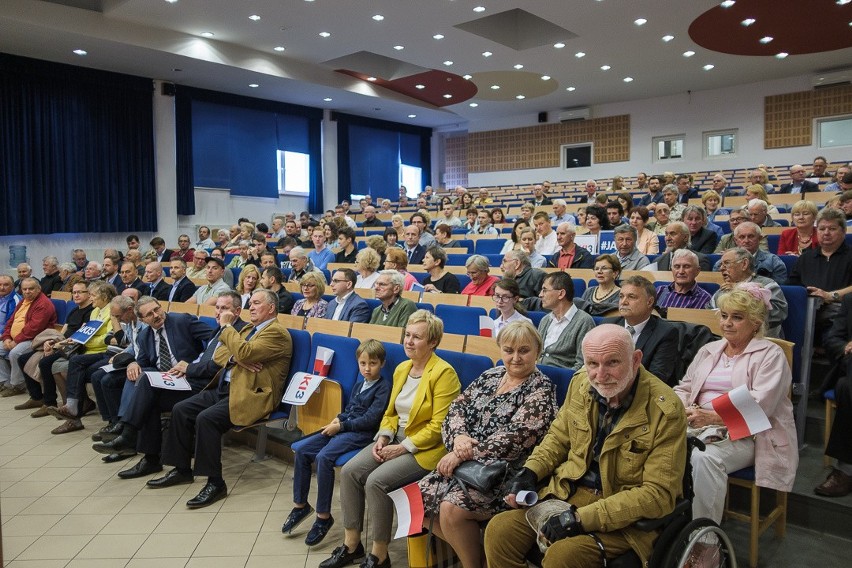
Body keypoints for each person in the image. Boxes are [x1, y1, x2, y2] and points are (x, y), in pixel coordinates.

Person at [484, 325, 687, 568]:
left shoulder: (665, 409)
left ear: (635, 360)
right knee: (499, 530)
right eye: (592, 363)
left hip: (623, 513)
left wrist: (580, 519)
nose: (600, 375)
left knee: (564, 555)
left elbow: (658, 494)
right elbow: (558, 438)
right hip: (569, 492)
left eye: (612, 362)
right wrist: (530, 472)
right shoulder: (581, 384)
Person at [322, 311, 461, 568]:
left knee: (376, 481)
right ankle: (352, 545)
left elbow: (439, 426)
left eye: (416, 337)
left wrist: (402, 447)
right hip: (395, 439)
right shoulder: (402, 368)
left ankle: (379, 554)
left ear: (433, 342)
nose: (408, 341)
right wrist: (384, 437)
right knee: (351, 471)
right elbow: (391, 413)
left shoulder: (444, 373)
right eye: (407, 335)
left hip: (424, 449)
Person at [419, 321, 558, 568]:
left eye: (524, 350)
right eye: (508, 350)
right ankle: (479, 559)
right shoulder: (491, 375)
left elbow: (515, 438)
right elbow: (456, 408)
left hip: (503, 473)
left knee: (451, 509)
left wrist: (463, 453)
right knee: (416, 501)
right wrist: (460, 437)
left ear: (538, 351)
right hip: (465, 463)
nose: (515, 358)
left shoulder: (540, 389)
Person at [147, 290, 292, 508]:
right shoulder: (248, 329)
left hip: (251, 394)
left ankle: (215, 483)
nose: (251, 307)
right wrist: (238, 357)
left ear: (271, 308)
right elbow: (220, 355)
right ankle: (182, 469)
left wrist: (228, 331)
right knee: (181, 409)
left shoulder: (277, 333)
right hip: (226, 388)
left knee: (207, 419)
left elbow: (243, 351)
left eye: (256, 303)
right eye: (250, 303)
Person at [674, 287, 797, 523]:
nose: (727, 323)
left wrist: (710, 417)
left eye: (737, 317)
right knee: (660, 446)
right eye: (723, 315)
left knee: (704, 457)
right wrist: (680, 407)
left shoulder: (770, 355)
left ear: (756, 323)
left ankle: (704, 542)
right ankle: (672, 524)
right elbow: (685, 388)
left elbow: (761, 405)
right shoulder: (708, 350)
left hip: (751, 434)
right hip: (697, 424)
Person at [283, 340, 392, 545]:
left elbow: (371, 419)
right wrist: (338, 419)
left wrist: (341, 426)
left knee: (324, 458)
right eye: (362, 363)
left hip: (362, 433)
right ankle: (300, 505)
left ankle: (323, 517)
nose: (367, 369)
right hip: (345, 426)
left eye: (373, 364)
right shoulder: (360, 384)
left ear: (382, 364)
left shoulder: (383, 387)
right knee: (304, 450)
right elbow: (350, 408)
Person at [91, 296, 213, 476]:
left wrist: (193, 365)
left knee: (147, 387)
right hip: (169, 383)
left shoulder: (182, 320)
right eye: (149, 314)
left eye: (157, 309)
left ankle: (127, 434)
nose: (156, 315)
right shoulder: (144, 335)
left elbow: (216, 340)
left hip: (193, 381)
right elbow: (144, 363)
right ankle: (150, 459)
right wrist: (133, 363)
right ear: (142, 319)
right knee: (146, 390)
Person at [603, 275, 680, 386]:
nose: (623, 302)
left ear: (649, 302)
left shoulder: (666, 333)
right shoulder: (608, 325)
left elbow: (656, 377)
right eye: (621, 296)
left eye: (631, 297)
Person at [787, 207, 852, 336]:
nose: (826, 233)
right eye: (822, 229)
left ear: (844, 231)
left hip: (841, 311)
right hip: (808, 310)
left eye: (832, 229)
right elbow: (791, 286)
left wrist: (830, 295)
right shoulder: (805, 258)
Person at [817, 292, 852, 497]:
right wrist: (845, 347)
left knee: (846, 386)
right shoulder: (850, 301)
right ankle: (846, 470)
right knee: (846, 387)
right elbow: (834, 338)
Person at [712, 248, 788, 339]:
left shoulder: (767, 285)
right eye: (721, 264)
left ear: (744, 264)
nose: (721, 268)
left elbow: (779, 313)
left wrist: (740, 290)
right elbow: (707, 314)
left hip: (761, 341)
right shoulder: (723, 290)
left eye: (727, 263)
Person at [0, 278, 57, 397]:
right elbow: (11, 322)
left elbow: (34, 328)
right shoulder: (23, 302)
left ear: (38, 289)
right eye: (24, 289)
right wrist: (6, 338)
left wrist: (16, 341)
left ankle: (18, 385)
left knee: (15, 353)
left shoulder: (43, 304)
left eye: (31, 289)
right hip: (17, 338)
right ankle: (5, 382)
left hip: (36, 339)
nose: (27, 291)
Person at [537, 272, 595, 370]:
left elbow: (582, 364)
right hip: (539, 377)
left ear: (561, 294)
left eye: (544, 290)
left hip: (564, 380)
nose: (540, 295)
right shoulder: (545, 320)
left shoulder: (584, 321)